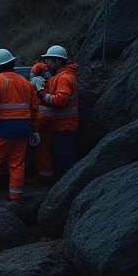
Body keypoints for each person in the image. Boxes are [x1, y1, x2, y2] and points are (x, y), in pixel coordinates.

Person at [0, 48, 41, 201]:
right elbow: (34, 108)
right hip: (24, 128)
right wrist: (34, 130)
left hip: (4, 128)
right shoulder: (26, 83)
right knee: (17, 163)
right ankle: (16, 194)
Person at [36, 45, 79, 179]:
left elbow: (61, 100)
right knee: (62, 157)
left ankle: (72, 187)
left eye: (49, 60)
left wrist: (42, 94)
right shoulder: (61, 76)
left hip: (65, 126)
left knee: (65, 159)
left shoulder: (64, 78)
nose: (47, 63)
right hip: (60, 125)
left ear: (58, 61)